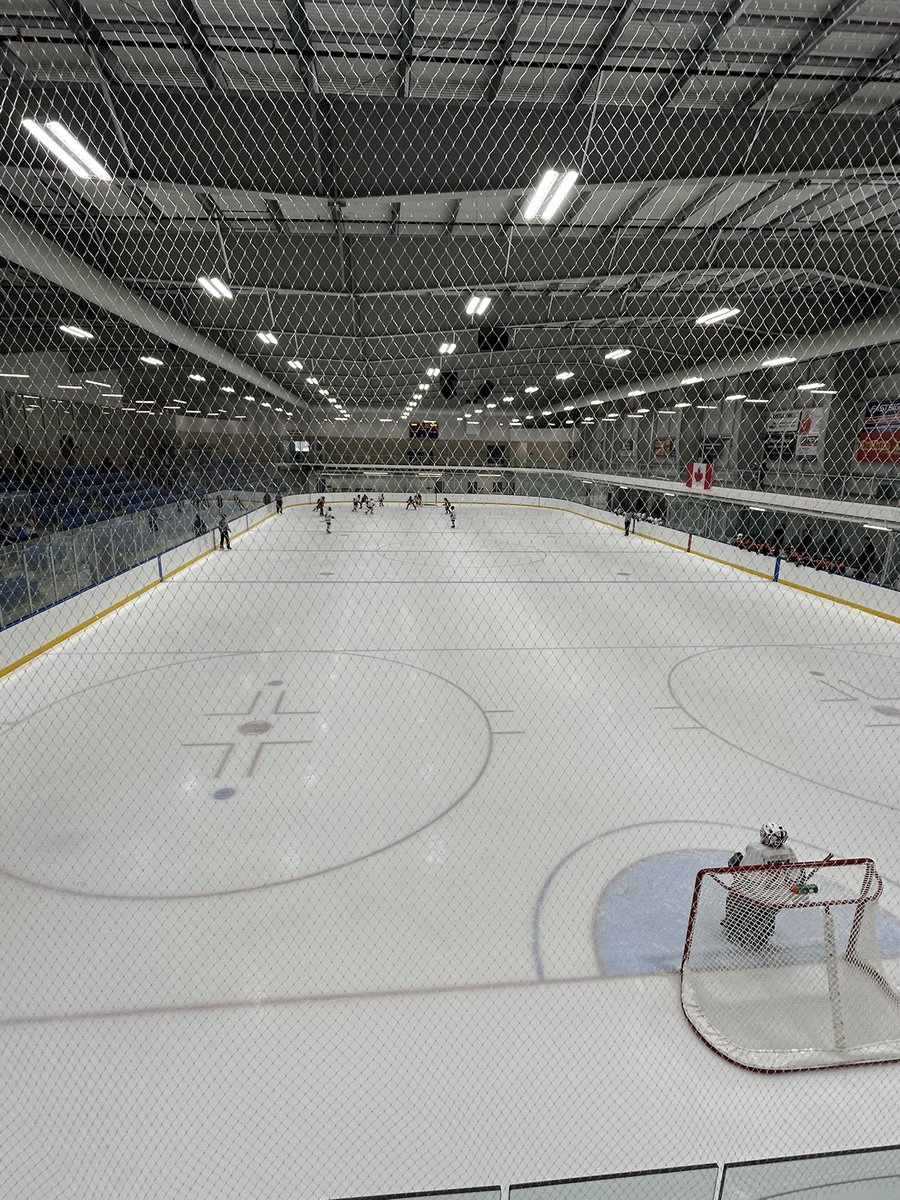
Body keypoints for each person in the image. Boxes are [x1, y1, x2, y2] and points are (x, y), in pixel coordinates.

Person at [721, 824, 803, 949]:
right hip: (779, 896)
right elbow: (798, 873)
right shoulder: (788, 849)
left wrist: (734, 866)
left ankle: (733, 927)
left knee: (733, 897)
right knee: (767, 913)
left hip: (755, 894)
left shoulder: (757, 849)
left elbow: (744, 874)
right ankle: (763, 931)